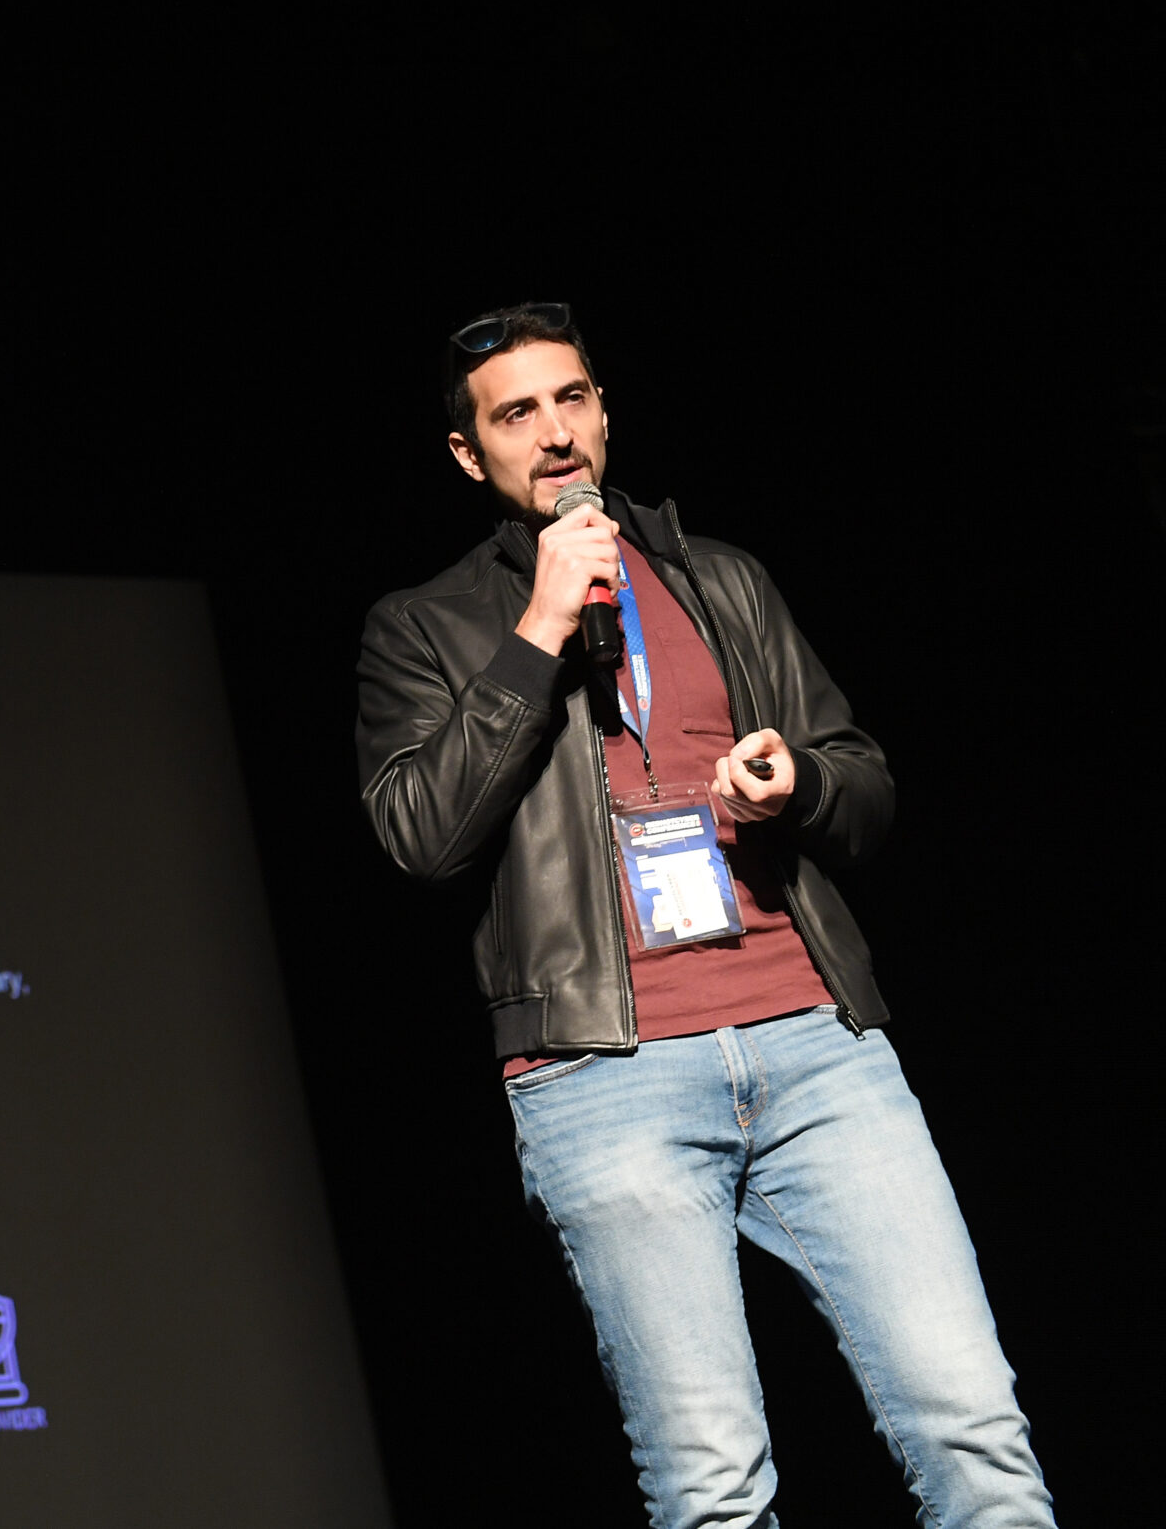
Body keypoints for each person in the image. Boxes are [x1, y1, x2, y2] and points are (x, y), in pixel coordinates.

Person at [353, 302, 1055, 1527]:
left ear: (604, 412)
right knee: (712, 1489)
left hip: (816, 1050)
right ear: (469, 453)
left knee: (973, 1433)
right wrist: (538, 629)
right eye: (516, 414)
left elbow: (864, 785)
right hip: (602, 1078)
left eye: (572, 399)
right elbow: (420, 834)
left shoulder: (721, 576)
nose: (554, 433)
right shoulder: (423, 626)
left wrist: (800, 783)